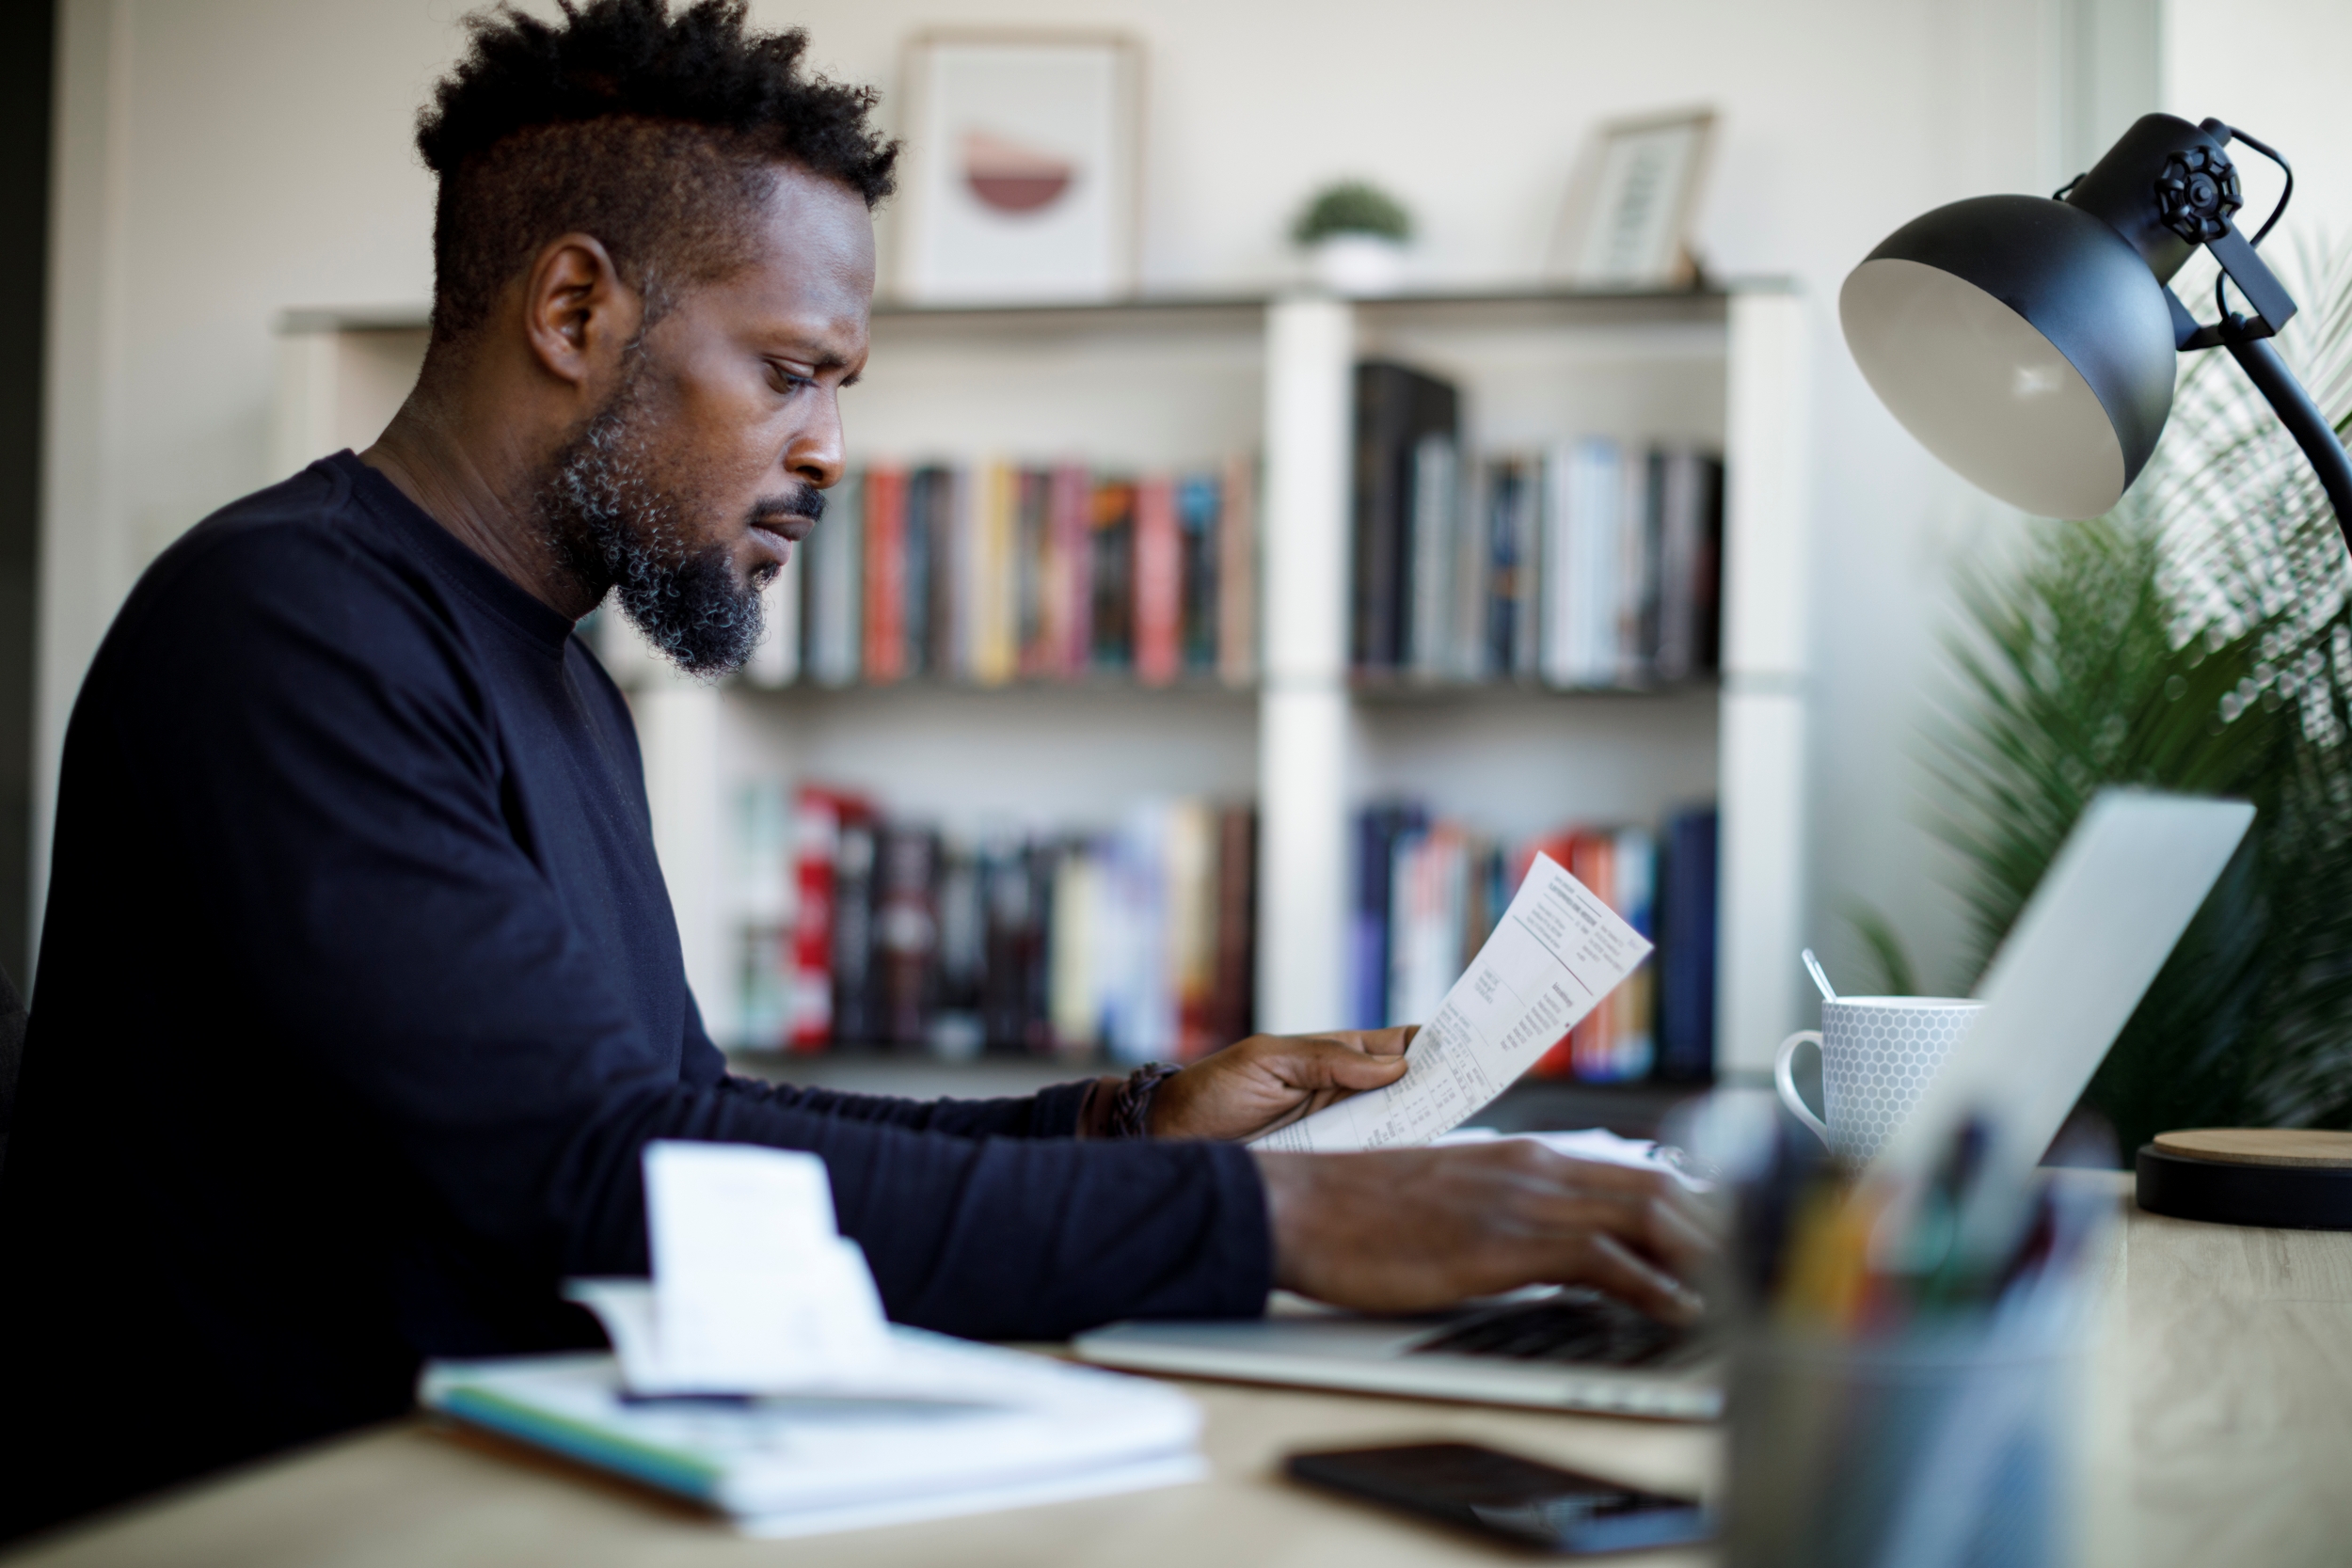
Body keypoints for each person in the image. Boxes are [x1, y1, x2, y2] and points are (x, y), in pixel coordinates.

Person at [0, 0, 1709, 1541]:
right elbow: (605, 1179)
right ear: (576, 306)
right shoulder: (286, 623)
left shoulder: (563, 679)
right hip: (292, 1521)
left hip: (523, 1478)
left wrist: (1125, 1126)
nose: (829, 451)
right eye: (790, 373)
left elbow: (690, 1119)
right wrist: (1279, 1225)